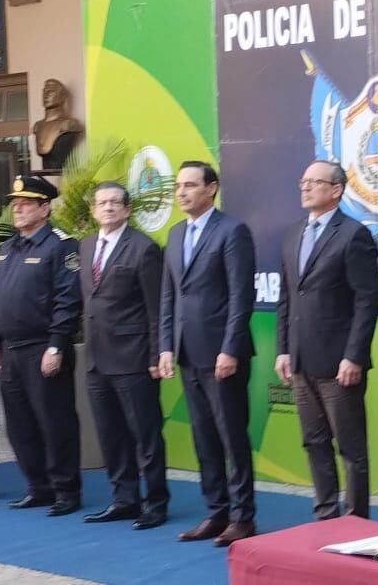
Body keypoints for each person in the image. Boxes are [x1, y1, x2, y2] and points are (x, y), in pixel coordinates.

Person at [159, 161, 257, 547]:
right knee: (203, 438)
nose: (182, 192)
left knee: (231, 437)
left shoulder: (232, 231)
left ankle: (242, 517)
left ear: (211, 189)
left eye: (190, 185)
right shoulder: (176, 232)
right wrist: (165, 345)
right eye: (178, 186)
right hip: (186, 352)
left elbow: (240, 296)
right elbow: (169, 296)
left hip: (221, 355)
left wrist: (230, 348)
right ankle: (215, 512)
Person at [275, 160, 378, 520]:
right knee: (314, 442)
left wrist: (354, 356)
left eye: (314, 182)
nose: (305, 188)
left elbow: (367, 300)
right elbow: (287, 299)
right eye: (303, 181)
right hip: (302, 361)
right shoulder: (293, 234)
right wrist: (284, 350)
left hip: (339, 365)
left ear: (336, 190)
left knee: (350, 449)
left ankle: (355, 521)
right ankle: (325, 516)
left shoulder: (353, 234)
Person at [0, 175, 84, 516]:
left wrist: (57, 345)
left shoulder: (61, 245)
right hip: (10, 349)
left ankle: (65, 490)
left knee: (54, 421)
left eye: (26, 204)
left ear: (45, 208)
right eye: (15, 204)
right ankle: (37, 486)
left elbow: (68, 300)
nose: (18, 209)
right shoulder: (9, 248)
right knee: (20, 423)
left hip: (42, 347)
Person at [79, 181, 169, 530]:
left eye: (116, 203)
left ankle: (156, 502)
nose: (108, 208)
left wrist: (155, 354)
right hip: (96, 358)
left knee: (145, 436)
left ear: (128, 210)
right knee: (111, 434)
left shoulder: (144, 249)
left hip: (133, 358)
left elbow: (155, 309)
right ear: (94, 210)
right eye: (102, 203)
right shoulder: (87, 246)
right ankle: (124, 499)